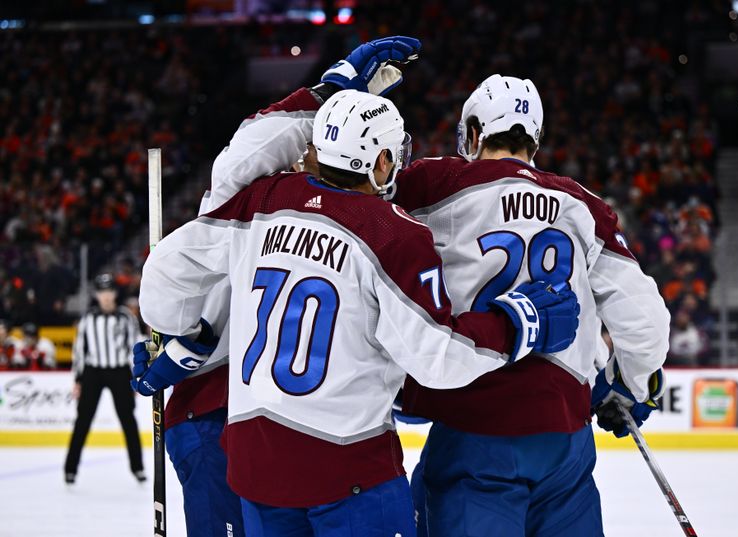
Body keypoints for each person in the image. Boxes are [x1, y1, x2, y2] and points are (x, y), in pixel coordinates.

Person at [207, 71, 670, 536]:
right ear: (534, 139)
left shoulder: (432, 183)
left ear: (472, 133)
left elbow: (348, 197)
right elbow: (644, 317)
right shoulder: (582, 203)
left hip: (474, 427)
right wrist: (630, 383)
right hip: (564, 437)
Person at [131, 77, 581, 537]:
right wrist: (517, 323)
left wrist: (187, 339)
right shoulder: (393, 234)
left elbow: (165, 272)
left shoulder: (261, 201)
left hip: (255, 462)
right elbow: (439, 358)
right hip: (347, 468)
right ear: (381, 160)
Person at [132, 36, 432, 537]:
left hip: (252, 433)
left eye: (313, 144)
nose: (303, 154)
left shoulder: (267, 213)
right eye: (306, 144)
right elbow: (240, 162)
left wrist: (177, 345)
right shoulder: (252, 210)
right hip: (219, 422)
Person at [64, 273, 145, 485]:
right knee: (83, 420)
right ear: (97, 294)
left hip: (119, 371)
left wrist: (136, 375)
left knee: (128, 419)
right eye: (102, 292)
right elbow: (79, 350)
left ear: (115, 293)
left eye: (109, 291)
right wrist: (78, 379)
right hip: (93, 372)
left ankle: (138, 468)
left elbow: (134, 346)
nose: (106, 296)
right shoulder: (88, 319)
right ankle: (70, 469)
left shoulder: (126, 317)